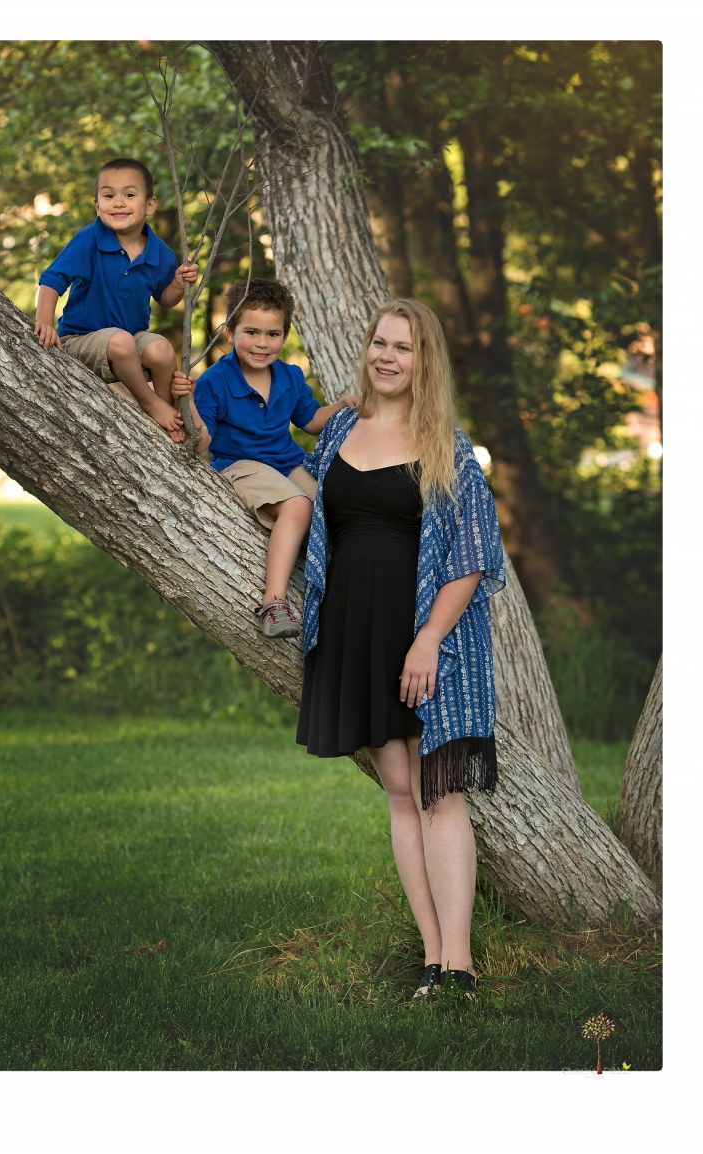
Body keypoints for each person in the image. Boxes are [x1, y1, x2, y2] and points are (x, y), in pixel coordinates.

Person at [296, 299, 505, 999]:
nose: (387, 356)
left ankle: (461, 964)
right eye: (380, 343)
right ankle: (430, 960)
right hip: (359, 635)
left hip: (427, 643)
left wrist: (428, 641)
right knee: (399, 793)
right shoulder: (339, 434)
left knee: (439, 795)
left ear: (425, 361)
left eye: (403, 347)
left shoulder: (446, 441)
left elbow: (473, 557)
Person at [171, 278, 358, 638]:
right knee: (299, 507)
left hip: (287, 462)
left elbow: (310, 420)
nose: (262, 343)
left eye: (273, 334)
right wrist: (189, 401)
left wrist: (341, 407)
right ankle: (274, 602)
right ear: (229, 332)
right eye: (252, 332)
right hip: (240, 466)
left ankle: (343, 590)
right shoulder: (214, 381)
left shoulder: (289, 375)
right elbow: (200, 443)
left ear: (284, 335)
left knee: (335, 504)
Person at [34, 157, 199, 443]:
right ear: (97, 206)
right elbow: (52, 280)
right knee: (120, 341)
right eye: (109, 196)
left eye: (129, 195)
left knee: (161, 349)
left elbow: (166, 299)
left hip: (128, 345)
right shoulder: (89, 239)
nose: (118, 203)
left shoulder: (160, 252)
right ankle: (151, 405)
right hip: (80, 341)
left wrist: (177, 282)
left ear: (150, 205)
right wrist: (44, 321)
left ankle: (166, 426)